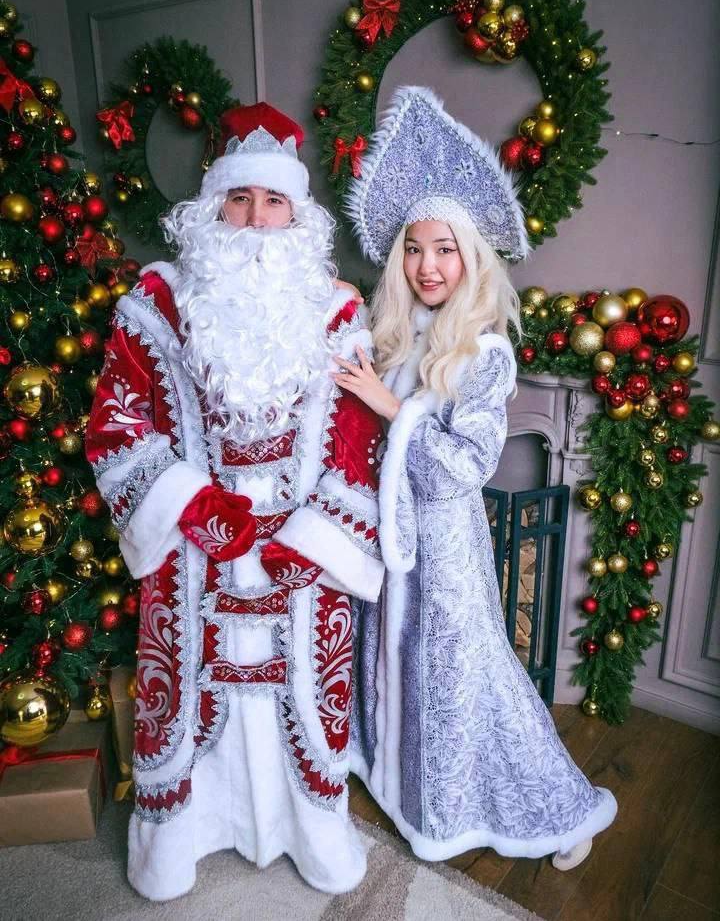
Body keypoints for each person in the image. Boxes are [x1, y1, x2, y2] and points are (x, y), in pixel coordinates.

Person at [85, 102, 385, 901]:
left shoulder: (336, 312)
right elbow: (117, 422)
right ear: (213, 204)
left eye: (274, 200)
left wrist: (314, 540)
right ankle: (178, 843)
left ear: (298, 212)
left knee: (303, 690)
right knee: (187, 689)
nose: (256, 219)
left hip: (299, 555)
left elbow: (359, 440)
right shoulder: (155, 305)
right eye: (240, 199)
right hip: (190, 553)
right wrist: (188, 503)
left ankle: (311, 831)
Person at [336, 86, 617, 871]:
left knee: (470, 680)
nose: (428, 266)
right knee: (396, 665)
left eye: (445, 250)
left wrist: (393, 409)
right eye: (415, 249)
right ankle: (410, 791)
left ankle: (562, 813)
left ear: (470, 259)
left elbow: (462, 467)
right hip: (391, 541)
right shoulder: (395, 335)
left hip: (446, 549)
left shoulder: (484, 353)